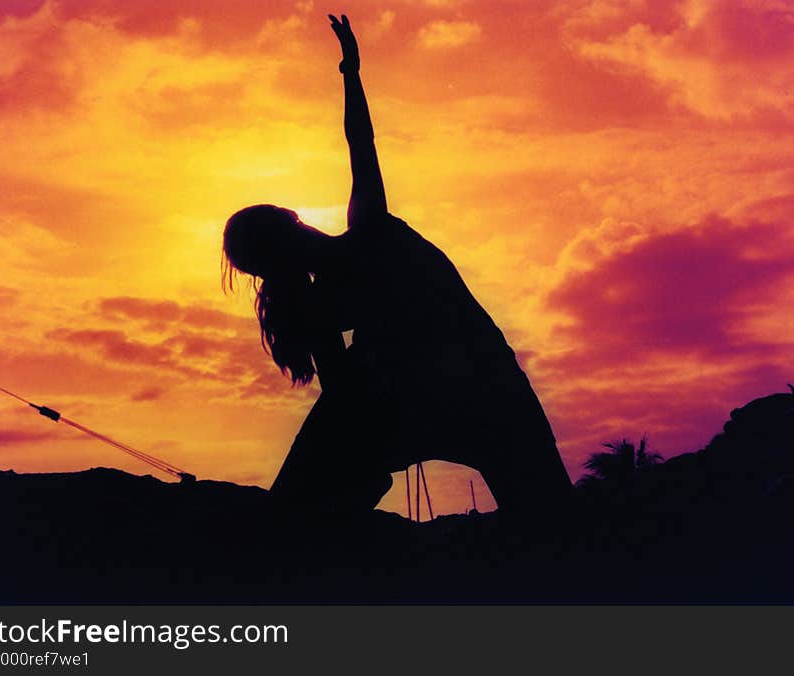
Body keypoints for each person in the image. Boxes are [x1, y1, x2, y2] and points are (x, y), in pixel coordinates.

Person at [222, 14, 572, 518]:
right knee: (555, 525)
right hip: (481, 388)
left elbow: (342, 405)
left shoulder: (325, 296)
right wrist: (351, 74)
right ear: (293, 217)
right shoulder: (368, 233)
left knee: (306, 485)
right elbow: (361, 144)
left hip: (452, 394)